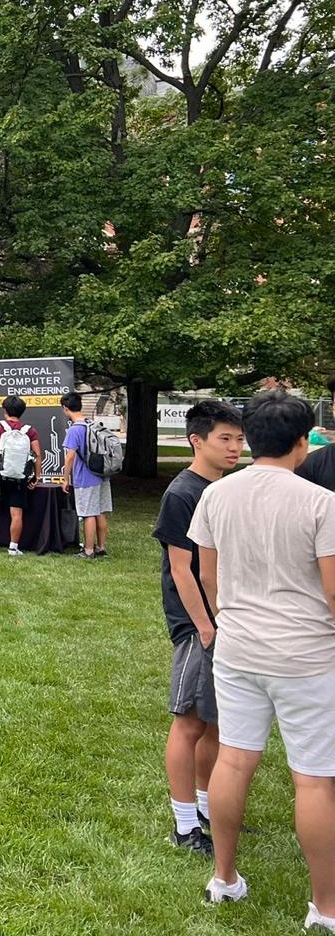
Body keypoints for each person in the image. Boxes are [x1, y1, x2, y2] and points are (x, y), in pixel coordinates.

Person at [192, 390, 335, 923]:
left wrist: (230, 619)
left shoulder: (217, 495)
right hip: (307, 655)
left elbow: (208, 576)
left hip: (237, 648)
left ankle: (224, 878)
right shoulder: (322, 502)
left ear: (250, 438)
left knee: (233, 760)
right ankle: (326, 907)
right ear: (302, 442)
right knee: (314, 779)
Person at [154, 400, 244, 857]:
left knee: (213, 722)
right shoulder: (182, 493)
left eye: (239, 439)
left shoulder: (224, 489)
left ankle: (209, 809)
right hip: (196, 625)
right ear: (196, 440)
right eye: (224, 438)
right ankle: (185, 825)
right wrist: (204, 626)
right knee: (189, 721)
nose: (234, 447)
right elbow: (181, 568)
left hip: (227, 619)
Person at [0, 395, 41, 556]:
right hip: (19, 478)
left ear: (4, 410)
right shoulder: (30, 431)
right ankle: (13, 547)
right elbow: (37, 455)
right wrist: (36, 477)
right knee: (16, 513)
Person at [61, 392, 112, 558]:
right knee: (100, 512)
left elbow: (70, 456)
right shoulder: (92, 424)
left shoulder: (75, 429)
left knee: (88, 513)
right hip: (102, 474)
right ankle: (101, 548)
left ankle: (88, 550)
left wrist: (65, 478)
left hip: (85, 477)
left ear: (65, 408)